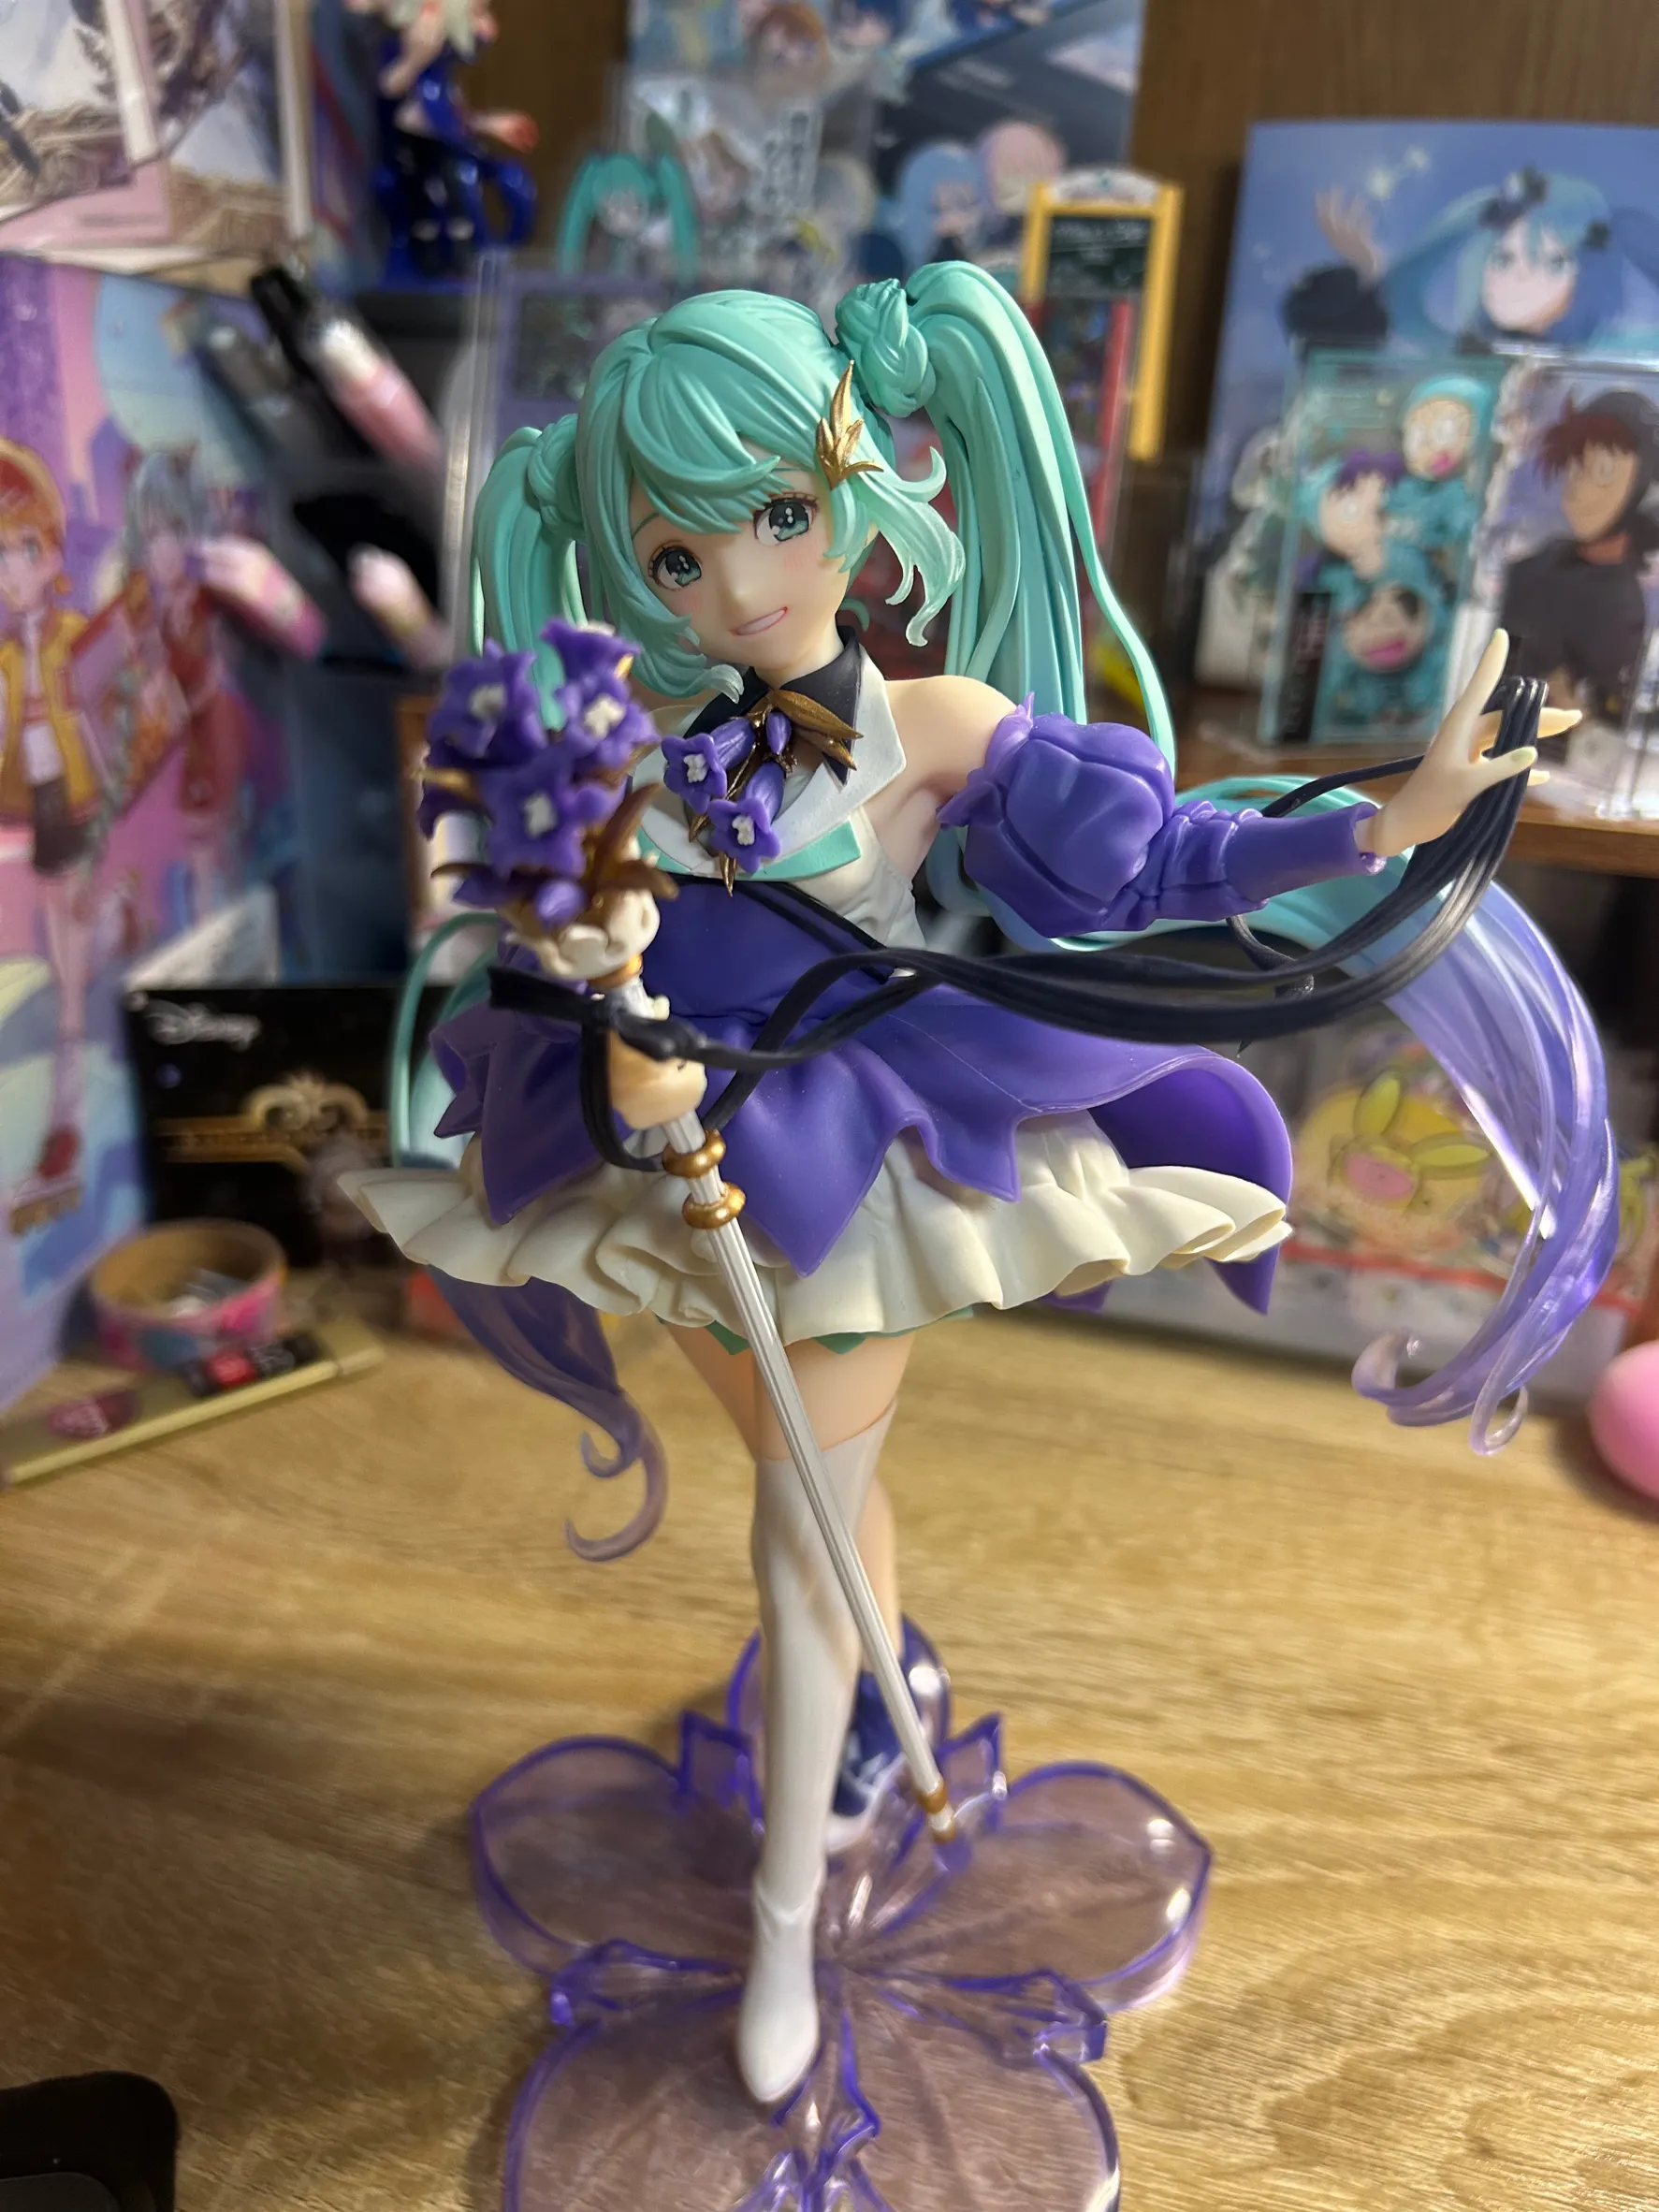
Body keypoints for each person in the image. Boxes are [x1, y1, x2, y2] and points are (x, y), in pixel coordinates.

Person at [344, 266, 1609, 2110]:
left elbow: (1158, 862)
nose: (743, 584)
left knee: (794, 1525)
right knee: (804, 1478)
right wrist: (616, 1030)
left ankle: (785, 1920)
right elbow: (582, 953)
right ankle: (875, 1711)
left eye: (779, 516)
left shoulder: (925, 725)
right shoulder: (634, 748)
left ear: (853, 490)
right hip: (668, 1162)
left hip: (843, 1157)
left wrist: (1381, 822)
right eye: (680, 552)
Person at [0, 438, 104, 1192]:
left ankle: (71, 1022)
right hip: (34, 798)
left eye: (23, 551)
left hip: (78, 792)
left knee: (71, 913)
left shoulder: (74, 636)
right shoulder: (7, 658)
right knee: (59, 910)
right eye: (0, 557)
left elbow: (105, 712)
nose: (10, 571)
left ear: (51, 556)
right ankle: (72, 1010)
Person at [1499, 387, 1659, 720]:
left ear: (1643, 484)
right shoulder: (1537, 565)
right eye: (1573, 466)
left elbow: (1604, 713)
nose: (1577, 487)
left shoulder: (1624, 604)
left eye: (1602, 471)